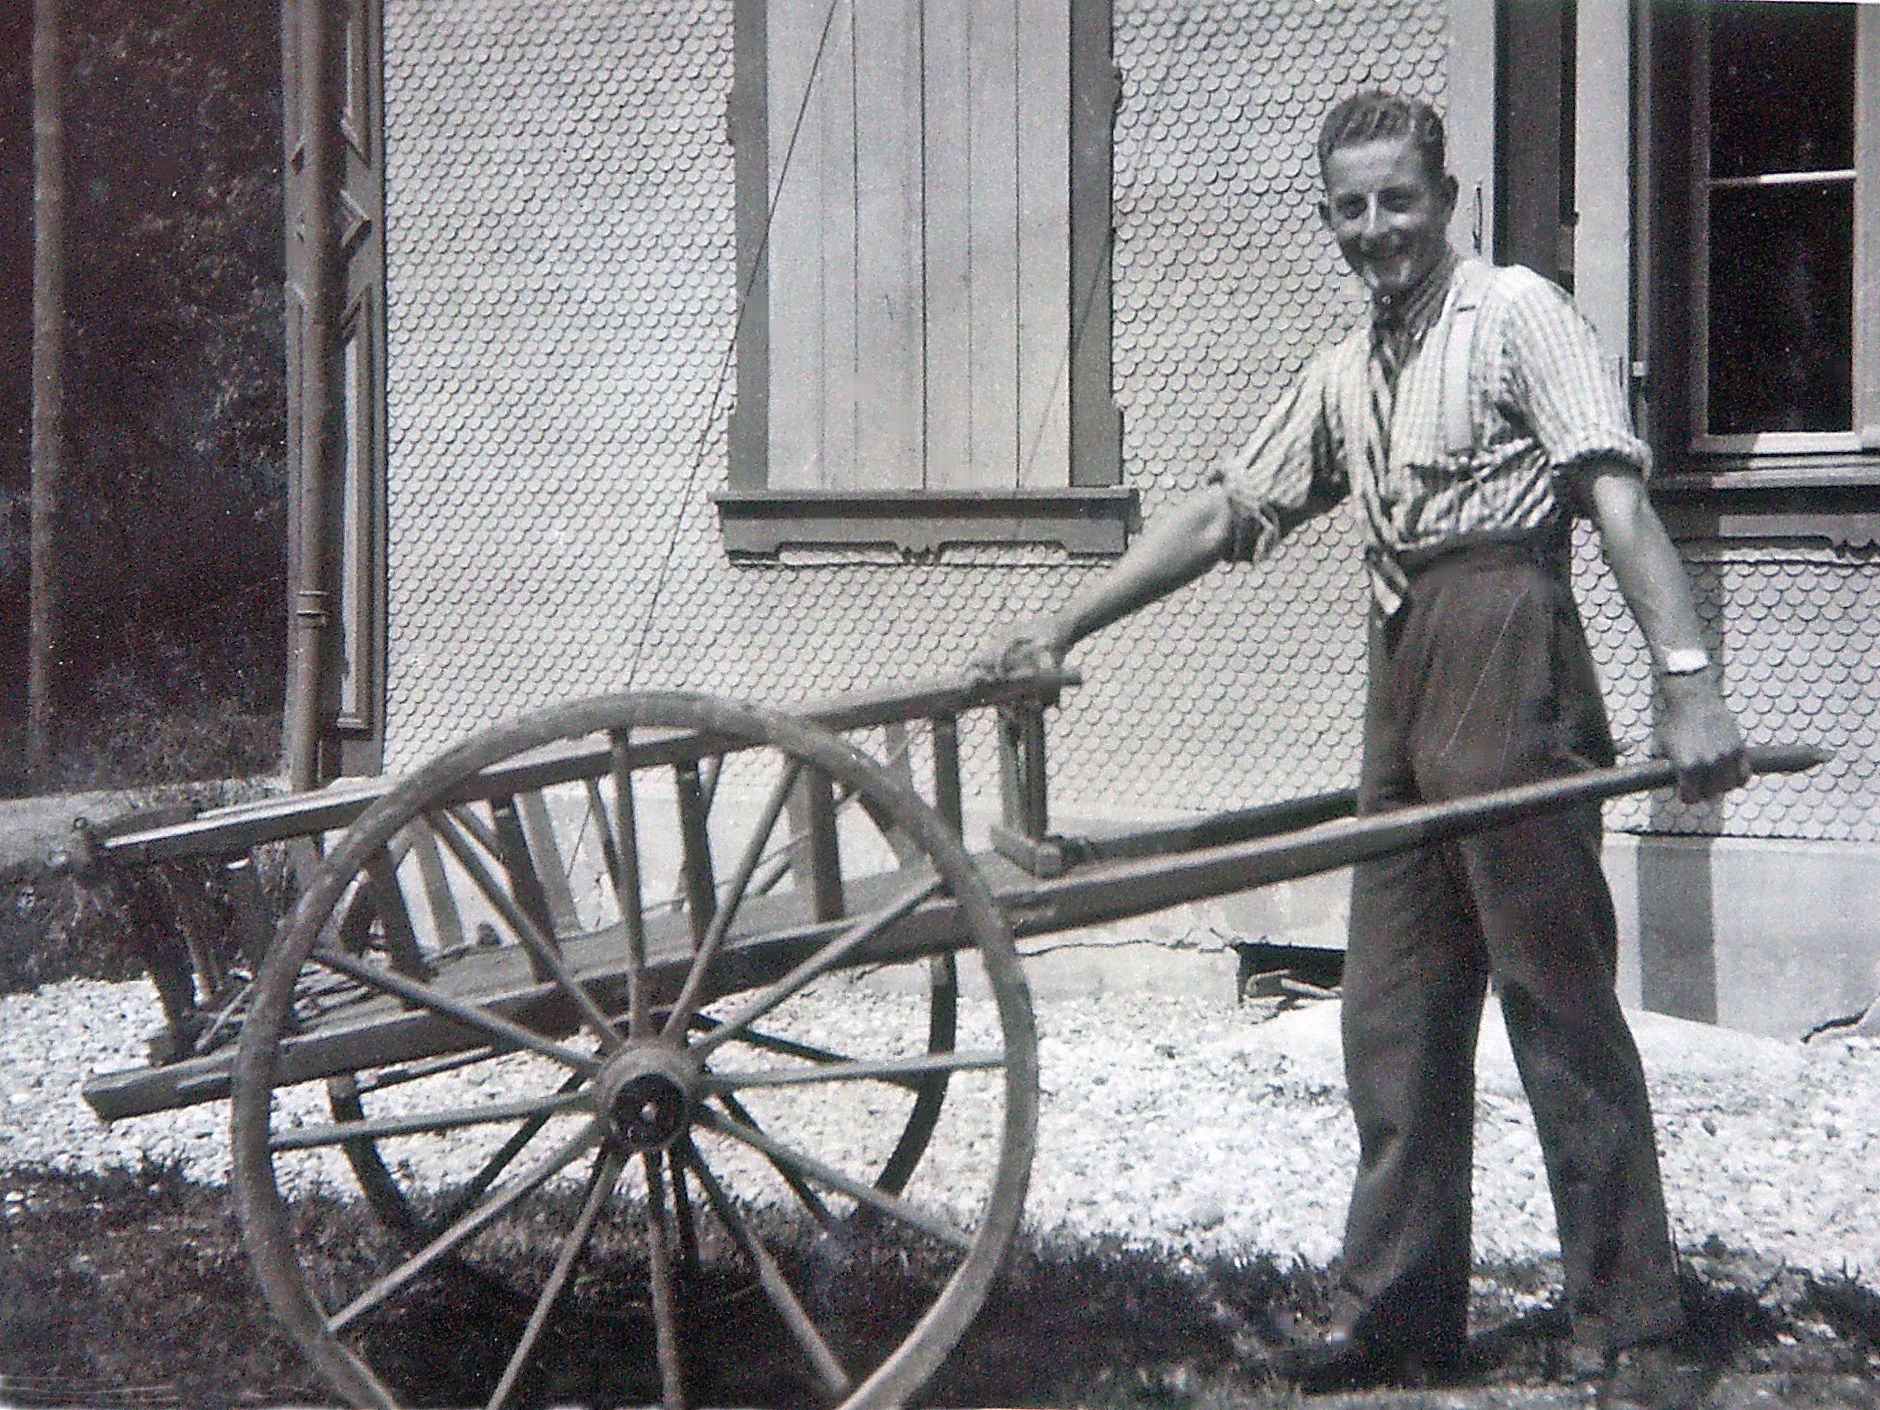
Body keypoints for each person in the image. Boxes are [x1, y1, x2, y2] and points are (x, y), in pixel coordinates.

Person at [974, 91, 1747, 1408]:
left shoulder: (1516, 315)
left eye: (1399, 199)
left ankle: (1633, 1328)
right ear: (1329, 219)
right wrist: (1057, 617)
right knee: (1390, 1016)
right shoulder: (1348, 371)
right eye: (1351, 207)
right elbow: (1231, 510)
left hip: (1513, 658)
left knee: (1556, 1009)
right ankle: (1395, 1309)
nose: (1377, 228)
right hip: (1403, 687)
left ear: (1452, 202)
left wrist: (1689, 686)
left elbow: (1615, 500)